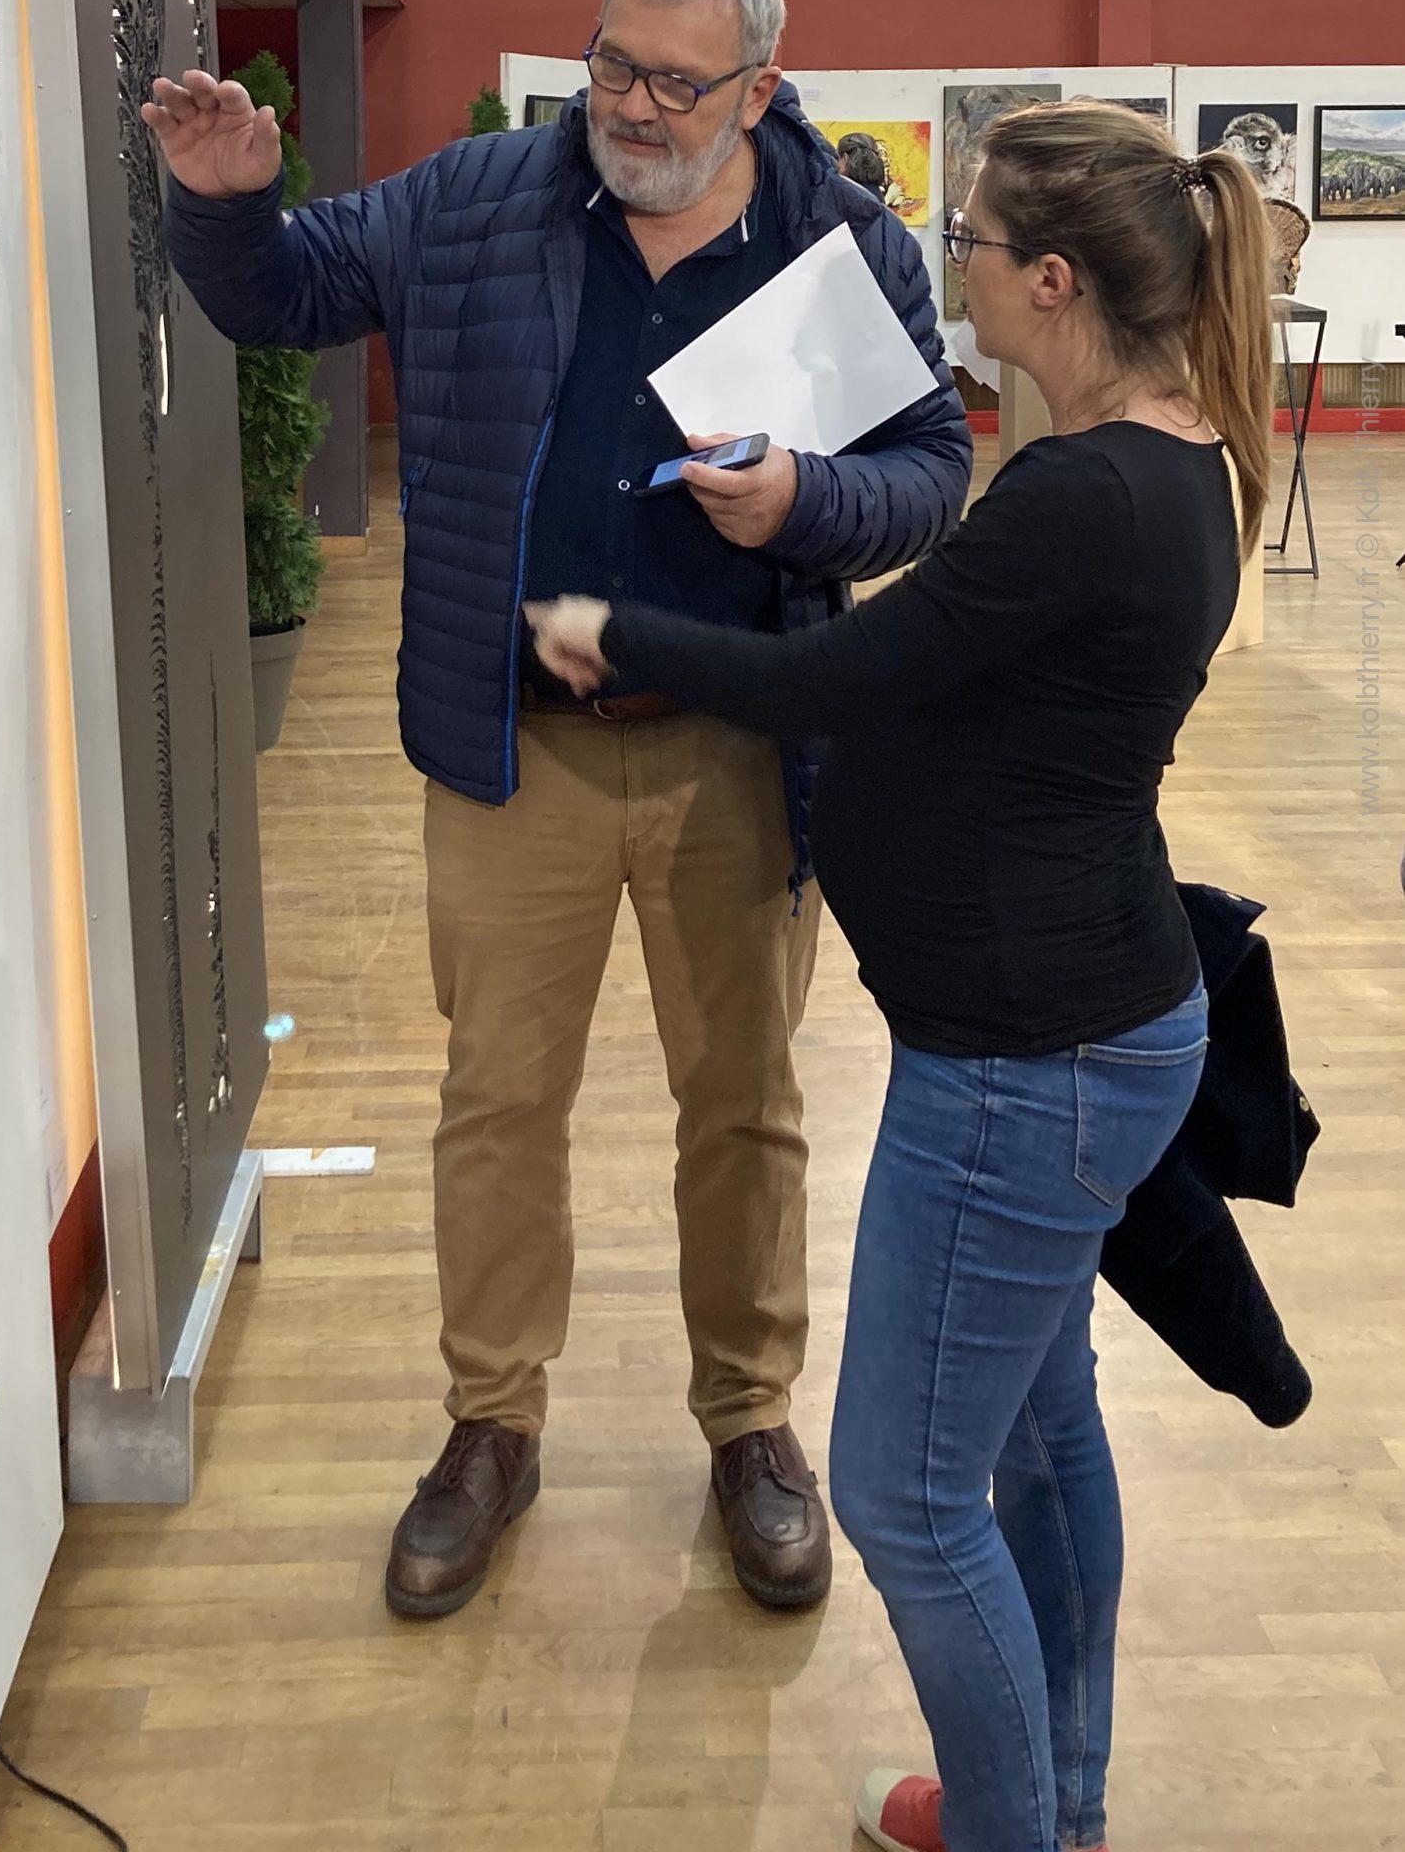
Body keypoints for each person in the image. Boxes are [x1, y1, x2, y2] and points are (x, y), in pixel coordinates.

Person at [146, 0, 970, 1621]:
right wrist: (226, 201)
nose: (637, 105)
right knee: (497, 1104)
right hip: (511, 751)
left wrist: (812, 498)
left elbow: (935, 473)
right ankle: (489, 1430)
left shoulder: (841, 242)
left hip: (740, 749)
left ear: (760, 83)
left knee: (741, 1108)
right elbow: (282, 296)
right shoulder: (474, 198)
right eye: (614, 62)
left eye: (680, 80)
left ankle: (750, 1425)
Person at [527, 104, 1271, 1852]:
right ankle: (1052, 1808)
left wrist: (610, 632)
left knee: (908, 1496)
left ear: (1058, 282)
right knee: (1035, 1427)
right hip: (1088, 1031)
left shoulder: (1081, 499)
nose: (959, 278)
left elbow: (843, 679)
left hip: (1029, 1062)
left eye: (980, 252)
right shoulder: (1171, 459)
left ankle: (1024, 1832)